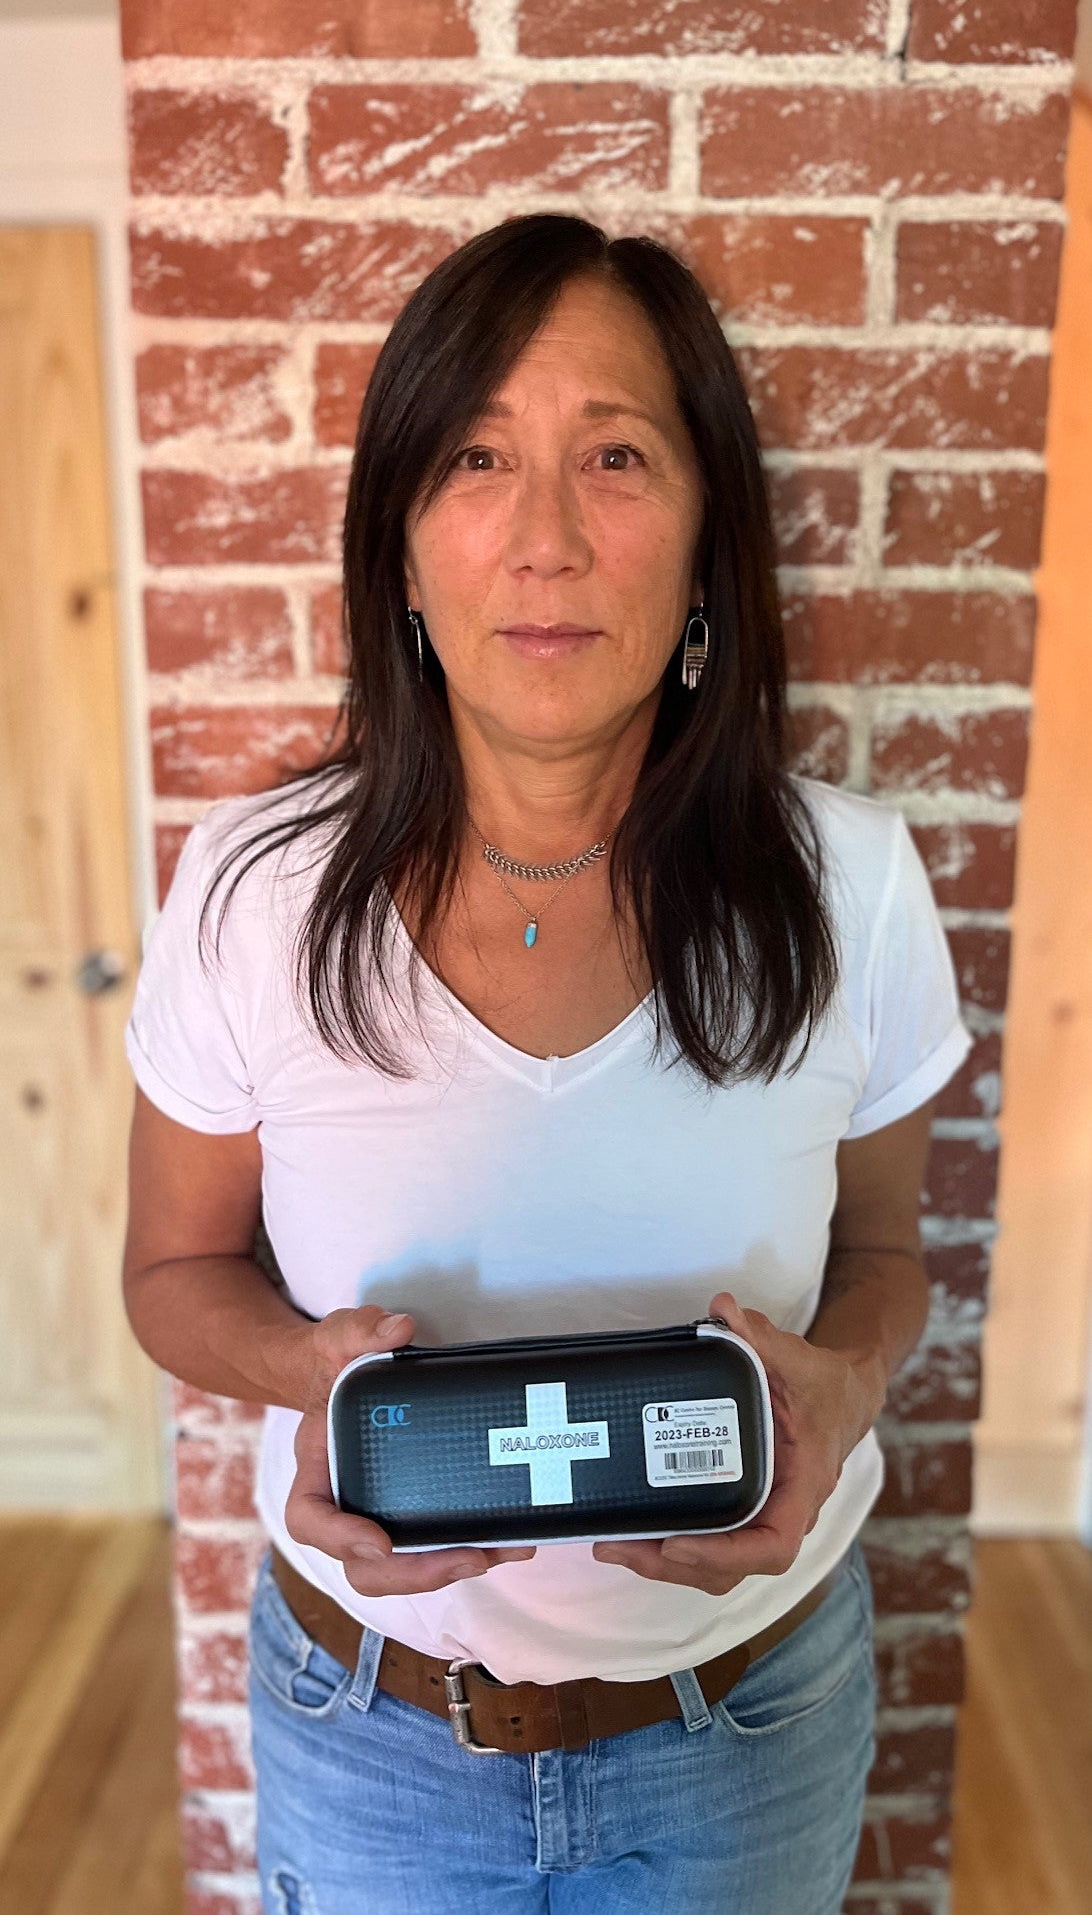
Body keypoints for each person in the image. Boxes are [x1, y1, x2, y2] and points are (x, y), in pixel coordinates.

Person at [121, 212, 973, 1915]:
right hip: (372, 1725)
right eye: (479, 458)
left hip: (748, 1719)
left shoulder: (853, 881)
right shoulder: (250, 887)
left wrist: (844, 1384)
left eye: (618, 456)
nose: (548, 539)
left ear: (711, 539)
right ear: (404, 548)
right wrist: (314, 1373)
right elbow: (170, 1271)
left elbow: (888, 1261)